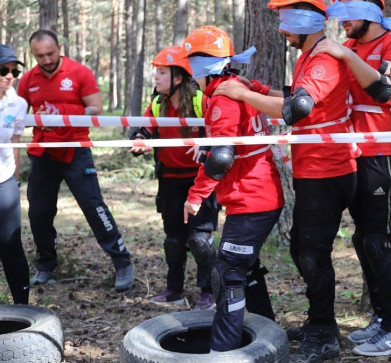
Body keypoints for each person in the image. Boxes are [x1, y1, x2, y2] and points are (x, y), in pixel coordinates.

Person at [214, 2, 357, 360]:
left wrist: (244, 95)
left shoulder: (323, 60)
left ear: (307, 22)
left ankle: (324, 333)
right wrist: (258, 87)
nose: (282, 30)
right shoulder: (310, 55)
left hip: (328, 169)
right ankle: (320, 323)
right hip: (313, 169)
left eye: (288, 23)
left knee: (311, 252)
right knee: (304, 248)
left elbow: (298, 109)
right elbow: (296, 96)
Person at [310, 0, 391, 356]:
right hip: (354, 155)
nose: (342, 23)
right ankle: (382, 317)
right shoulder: (351, 46)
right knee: (362, 239)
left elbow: (386, 89)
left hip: (385, 154)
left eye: (348, 14)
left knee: (379, 239)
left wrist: (342, 53)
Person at [181, 26, 285, 353]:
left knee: (227, 274)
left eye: (191, 64)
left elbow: (221, 158)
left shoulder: (223, 98)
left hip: (252, 198)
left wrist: (196, 196)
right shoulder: (239, 86)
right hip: (256, 194)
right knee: (245, 267)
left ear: (201, 65)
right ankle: (270, 337)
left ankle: (222, 351)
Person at [16, 30, 135, 292]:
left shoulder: (79, 72)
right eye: (40, 56)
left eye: (50, 53)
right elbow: (17, 114)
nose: (46, 60)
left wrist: (66, 113)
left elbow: (96, 108)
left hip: (76, 149)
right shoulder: (27, 80)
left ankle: (122, 260)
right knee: (38, 211)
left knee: (93, 206)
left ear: (59, 48)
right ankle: (46, 263)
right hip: (43, 150)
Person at [129, 46, 218, 310]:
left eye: (162, 72)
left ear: (178, 77)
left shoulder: (202, 101)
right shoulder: (157, 103)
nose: (156, 77)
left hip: (199, 181)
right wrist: (140, 140)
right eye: (155, 71)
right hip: (169, 180)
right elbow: (144, 127)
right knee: (174, 241)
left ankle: (208, 291)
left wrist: (206, 146)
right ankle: (174, 290)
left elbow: (220, 133)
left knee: (200, 240)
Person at [0, 44, 30, 304]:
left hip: (5, 180)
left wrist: (16, 180)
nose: (10, 76)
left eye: (14, 71)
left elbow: (16, 141)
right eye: (3, 70)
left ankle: (23, 307)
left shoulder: (18, 103)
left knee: (11, 244)